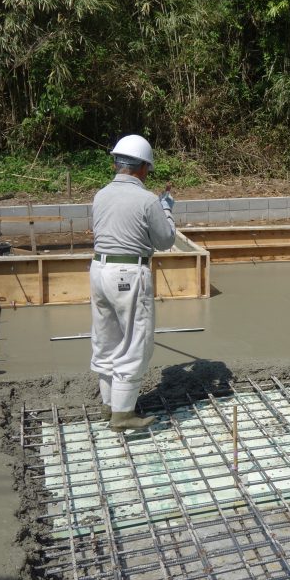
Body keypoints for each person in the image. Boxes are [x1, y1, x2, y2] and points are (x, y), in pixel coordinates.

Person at [90, 134, 177, 432]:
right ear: (142, 168)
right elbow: (165, 240)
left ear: (117, 163)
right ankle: (123, 415)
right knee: (134, 342)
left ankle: (109, 404)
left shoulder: (100, 194)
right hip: (128, 274)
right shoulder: (146, 199)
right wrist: (166, 209)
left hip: (98, 270)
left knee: (107, 339)